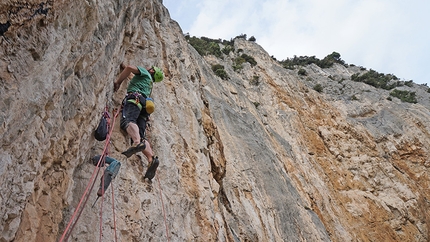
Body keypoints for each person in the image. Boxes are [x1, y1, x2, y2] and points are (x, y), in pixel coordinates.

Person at [113, 64, 164, 180]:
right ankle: (151, 159)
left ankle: (136, 142)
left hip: (135, 99)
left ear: (151, 71)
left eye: (150, 68)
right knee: (142, 135)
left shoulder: (145, 73)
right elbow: (129, 71)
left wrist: (118, 82)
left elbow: (130, 68)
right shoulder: (149, 85)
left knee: (128, 121)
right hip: (144, 106)